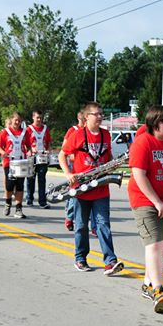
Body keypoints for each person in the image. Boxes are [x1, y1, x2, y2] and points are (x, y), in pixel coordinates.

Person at [59, 101, 123, 275]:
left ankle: (110, 261)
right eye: (96, 114)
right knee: (81, 226)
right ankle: (80, 258)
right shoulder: (77, 135)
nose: (100, 117)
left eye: (101, 114)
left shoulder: (106, 134)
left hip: (101, 188)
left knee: (103, 225)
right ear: (87, 117)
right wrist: (68, 174)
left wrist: (112, 165)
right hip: (81, 188)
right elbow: (62, 155)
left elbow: (107, 155)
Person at [129, 105, 163, 313]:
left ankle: (148, 284)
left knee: (158, 244)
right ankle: (158, 290)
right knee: (155, 244)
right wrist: (156, 202)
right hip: (145, 199)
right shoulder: (143, 143)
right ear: (154, 124)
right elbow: (139, 176)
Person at [0, 112, 28, 219]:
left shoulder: (24, 132)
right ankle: (8, 203)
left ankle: (19, 208)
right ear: (11, 120)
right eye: (16, 120)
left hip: (21, 162)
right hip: (9, 162)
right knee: (9, 185)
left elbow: (28, 145)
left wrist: (29, 151)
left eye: (19, 120)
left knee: (20, 185)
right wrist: (3, 152)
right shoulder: (5, 132)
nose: (17, 122)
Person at [61, 110, 84, 232]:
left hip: (87, 166)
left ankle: (94, 225)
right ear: (78, 119)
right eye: (81, 120)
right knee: (74, 192)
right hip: (73, 165)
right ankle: (69, 217)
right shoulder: (73, 130)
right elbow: (64, 148)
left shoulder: (90, 131)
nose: (83, 122)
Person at [25, 109, 52, 208]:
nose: (39, 120)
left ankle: (42, 201)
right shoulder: (28, 129)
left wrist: (48, 150)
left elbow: (48, 142)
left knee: (42, 179)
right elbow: (24, 143)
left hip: (42, 157)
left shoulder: (45, 129)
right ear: (33, 117)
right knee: (30, 179)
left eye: (41, 118)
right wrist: (30, 149)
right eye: (37, 118)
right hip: (32, 157)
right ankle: (29, 199)